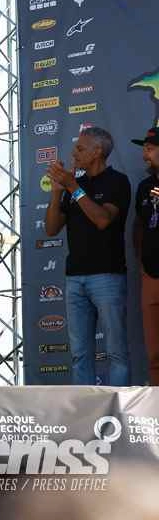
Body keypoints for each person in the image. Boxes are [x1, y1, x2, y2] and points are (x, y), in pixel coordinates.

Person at [45, 126, 131, 386]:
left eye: (80, 148)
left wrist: (73, 187)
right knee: (79, 355)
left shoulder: (117, 181)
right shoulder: (75, 185)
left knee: (116, 352)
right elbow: (51, 229)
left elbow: (102, 219)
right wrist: (58, 191)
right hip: (74, 278)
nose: (74, 153)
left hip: (107, 276)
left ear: (97, 152)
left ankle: (119, 406)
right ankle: (85, 407)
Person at [131, 126, 159, 385]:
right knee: (154, 351)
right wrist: (141, 260)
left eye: (149, 149)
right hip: (150, 273)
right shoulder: (145, 187)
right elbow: (139, 225)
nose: (144, 155)